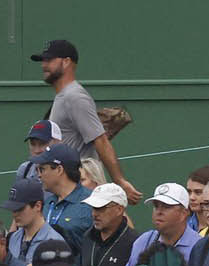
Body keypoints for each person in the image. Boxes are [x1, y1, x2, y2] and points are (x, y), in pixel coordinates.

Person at [30, 38, 143, 201]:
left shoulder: (75, 96)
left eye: (49, 60)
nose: (43, 65)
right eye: (43, 60)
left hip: (77, 190)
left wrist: (120, 181)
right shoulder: (64, 96)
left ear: (66, 62)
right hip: (64, 190)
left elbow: (101, 140)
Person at [130, 183, 201, 266]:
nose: (159, 211)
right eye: (156, 206)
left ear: (184, 213)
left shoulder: (199, 246)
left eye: (166, 207)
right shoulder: (143, 241)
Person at [0, 176, 63, 266]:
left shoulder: (55, 244)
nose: (15, 214)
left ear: (38, 206)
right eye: (13, 209)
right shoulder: (13, 238)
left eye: (20, 209)